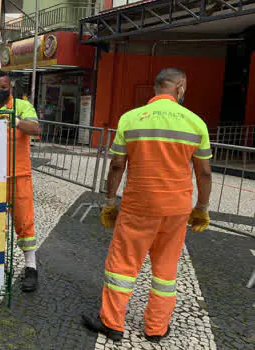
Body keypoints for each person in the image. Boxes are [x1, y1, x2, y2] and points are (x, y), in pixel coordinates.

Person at [82, 68, 213, 343]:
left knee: (122, 264)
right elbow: (204, 173)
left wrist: (109, 202)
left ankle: (112, 324)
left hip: (139, 205)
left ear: (156, 88)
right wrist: (201, 207)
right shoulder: (195, 122)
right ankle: (156, 328)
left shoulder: (130, 119)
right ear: (180, 86)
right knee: (166, 270)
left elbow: (117, 164)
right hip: (176, 208)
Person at [0, 70, 41, 292]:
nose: (0, 91)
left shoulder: (22, 106)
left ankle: (31, 267)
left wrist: (15, 120)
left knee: (24, 222)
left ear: (10, 88)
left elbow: (35, 129)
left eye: (4, 88)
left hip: (19, 176)